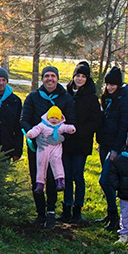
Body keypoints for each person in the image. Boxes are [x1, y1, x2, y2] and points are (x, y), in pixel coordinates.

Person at [20, 65, 76, 228]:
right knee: (37, 178)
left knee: (52, 179)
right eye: (46, 76)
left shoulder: (66, 99)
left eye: (53, 76)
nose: (49, 79)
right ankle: (40, 213)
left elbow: (72, 122)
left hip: (56, 148)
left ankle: (51, 211)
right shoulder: (33, 97)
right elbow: (24, 119)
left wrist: (61, 138)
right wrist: (34, 137)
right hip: (37, 147)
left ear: (57, 79)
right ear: (42, 79)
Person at [60, 61, 101, 224]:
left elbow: (95, 121)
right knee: (67, 175)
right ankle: (66, 208)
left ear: (87, 78)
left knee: (78, 175)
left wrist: (79, 131)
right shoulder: (66, 94)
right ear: (74, 76)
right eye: (78, 75)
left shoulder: (91, 98)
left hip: (82, 143)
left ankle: (77, 210)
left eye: (83, 76)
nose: (80, 79)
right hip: (66, 142)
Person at [96, 66, 128, 232]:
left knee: (104, 180)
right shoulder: (106, 99)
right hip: (104, 145)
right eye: (108, 84)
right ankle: (111, 213)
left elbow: (124, 126)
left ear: (119, 84)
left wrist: (116, 149)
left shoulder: (125, 100)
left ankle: (116, 217)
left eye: (113, 84)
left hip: (115, 147)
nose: (109, 87)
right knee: (108, 182)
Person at [25, 105, 76, 193]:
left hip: (56, 148)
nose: (54, 120)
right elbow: (36, 129)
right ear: (48, 118)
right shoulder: (43, 125)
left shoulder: (60, 126)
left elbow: (67, 127)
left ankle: (60, 181)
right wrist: (31, 134)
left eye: (56, 118)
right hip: (43, 147)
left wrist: (71, 129)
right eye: (52, 118)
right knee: (41, 164)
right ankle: (40, 184)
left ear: (60, 119)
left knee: (57, 162)